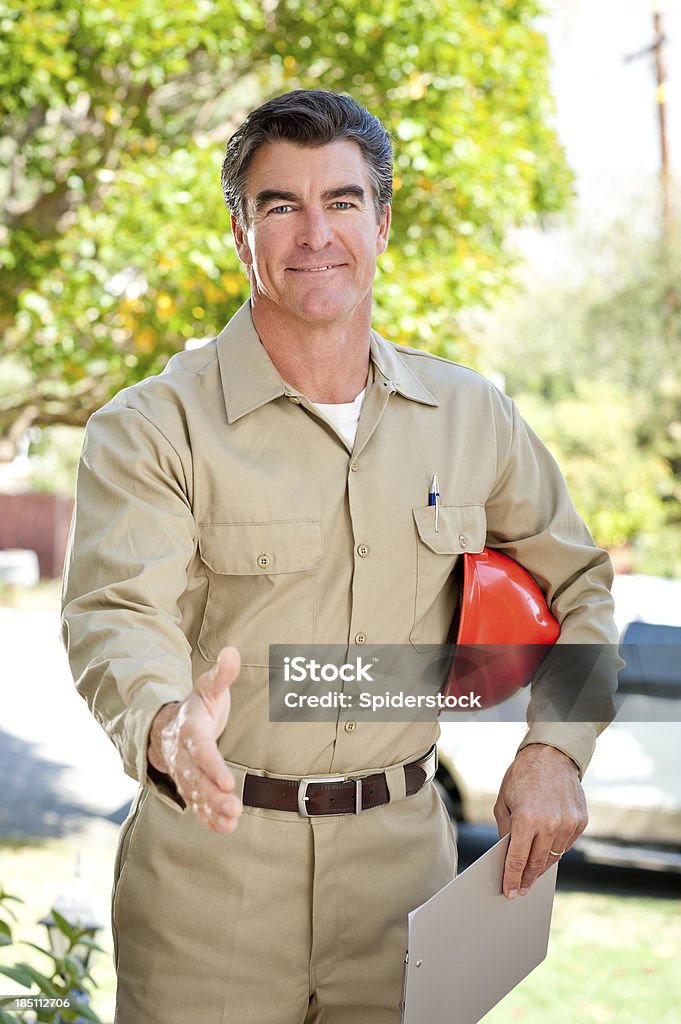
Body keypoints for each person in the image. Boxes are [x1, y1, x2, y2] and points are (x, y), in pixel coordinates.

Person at [61, 90, 618, 1024]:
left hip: (406, 883)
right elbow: (119, 613)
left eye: (343, 201)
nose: (314, 233)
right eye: (280, 205)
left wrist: (557, 750)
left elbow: (583, 585)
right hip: (211, 877)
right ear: (241, 233)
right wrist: (167, 726)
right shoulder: (151, 428)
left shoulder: (471, 415)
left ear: (382, 222)